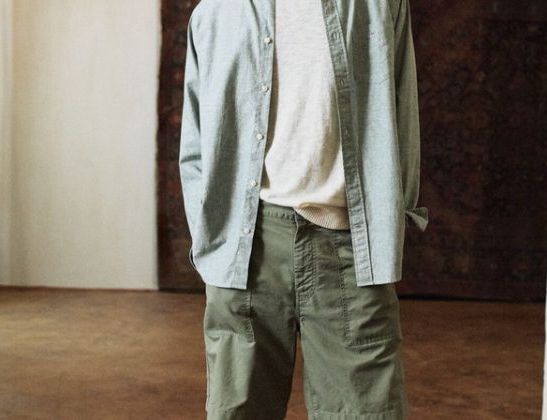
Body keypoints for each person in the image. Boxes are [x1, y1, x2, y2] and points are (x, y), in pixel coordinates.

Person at [179, 0, 429, 418]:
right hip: (246, 249)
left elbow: (404, 111)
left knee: (367, 410)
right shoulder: (217, 10)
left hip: (351, 248)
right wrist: (212, 235)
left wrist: (391, 223)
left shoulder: (379, 5)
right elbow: (195, 139)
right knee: (239, 411)